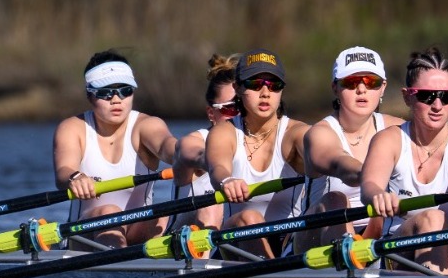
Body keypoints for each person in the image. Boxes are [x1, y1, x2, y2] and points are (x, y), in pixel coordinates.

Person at [360, 46, 448, 273]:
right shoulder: (389, 140)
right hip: (396, 251)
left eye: (446, 96)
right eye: (426, 96)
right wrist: (378, 195)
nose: (437, 105)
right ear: (407, 96)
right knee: (432, 218)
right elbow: (369, 186)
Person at [52, 49, 177, 248]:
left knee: (166, 215)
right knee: (110, 213)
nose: (117, 99)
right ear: (89, 95)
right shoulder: (73, 128)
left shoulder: (147, 125)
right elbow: (63, 171)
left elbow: (169, 147)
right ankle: (118, 262)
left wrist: (194, 156)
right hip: (84, 234)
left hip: (137, 229)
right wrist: (74, 177)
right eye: (106, 92)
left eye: (125, 90)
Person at [297, 46, 402, 249]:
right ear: (335, 88)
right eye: (351, 82)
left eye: (371, 82)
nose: (361, 89)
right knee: (335, 200)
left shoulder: (398, 129)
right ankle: (349, 255)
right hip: (315, 239)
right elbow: (339, 163)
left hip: (378, 231)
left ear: (383, 87)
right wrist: (372, 180)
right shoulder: (319, 134)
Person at [205, 49, 307, 257]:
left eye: (274, 85)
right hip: (237, 240)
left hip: (288, 240)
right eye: (255, 84)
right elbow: (218, 167)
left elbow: (325, 155)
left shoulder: (297, 132)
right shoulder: (224, 132)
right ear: (238, 88)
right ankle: (273, 274)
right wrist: (227, 180)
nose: (266, 93)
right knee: (249, 218)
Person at [170, 54, 238, 230]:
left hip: (237, 231)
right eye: (230, 108)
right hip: (187, 234)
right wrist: (217, 163)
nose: (238, 114)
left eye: (242, 106)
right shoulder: (194, 141)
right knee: (211, 205)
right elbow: (188, 151)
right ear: (211, 113)